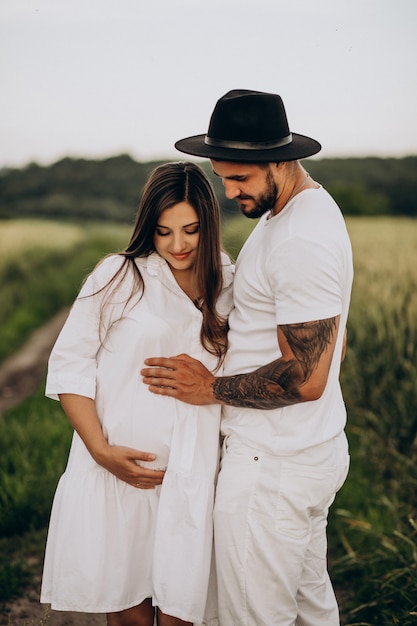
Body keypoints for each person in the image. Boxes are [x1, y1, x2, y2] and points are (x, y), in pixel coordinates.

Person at [141, 90, 354, 626]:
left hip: (271, 467)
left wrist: (209, 389)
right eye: (222, 176)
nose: (228, 190)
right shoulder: (295, 215)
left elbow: (307, 378)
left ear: (279, 161)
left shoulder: (300, 236)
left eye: (240, 178)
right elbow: (327, 345)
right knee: (308, 615)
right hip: (302, 454)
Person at [40, 161, 234, 626]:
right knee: (129, 613)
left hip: (193, 476)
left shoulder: (230, 280)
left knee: (181, 613)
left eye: (191, 229)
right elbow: (70, 364)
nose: (179, 245)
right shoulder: (120, 275)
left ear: (210, 223)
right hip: (123, 474)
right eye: (164, 232)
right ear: (149, 227)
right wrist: (100, 451)